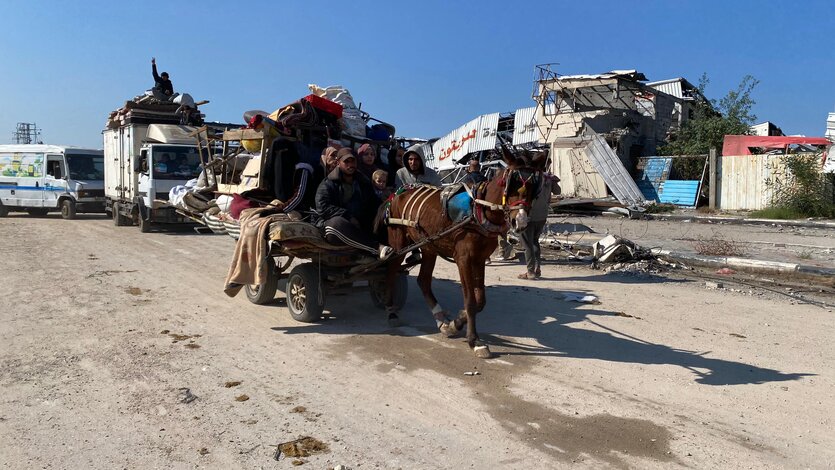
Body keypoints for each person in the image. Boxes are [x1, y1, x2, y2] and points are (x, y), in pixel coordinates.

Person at [315, 148, 392, 259]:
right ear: (338, 163)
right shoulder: (328, 184)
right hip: (336, 225)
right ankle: (376, 249)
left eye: (353, 161)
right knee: (335, 225)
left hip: (360, 223)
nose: (350, 165)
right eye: (346, 162)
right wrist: (348, 216)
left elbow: (374, 204)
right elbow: (323, 207)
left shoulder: (364, 183)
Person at [518, 171, 561, 279]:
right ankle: (537, 269)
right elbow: (558, 191)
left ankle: (530, 271)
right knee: (534, 242)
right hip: (542, 216)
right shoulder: (548, 178)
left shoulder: (529, 178)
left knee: (527, 244)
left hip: (529, 216)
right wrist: (553, 181)